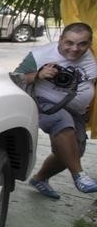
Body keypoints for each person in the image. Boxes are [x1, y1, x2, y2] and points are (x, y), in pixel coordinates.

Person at [15, 22, 97, 199]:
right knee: (62, 122)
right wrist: (38, 75)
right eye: (69, 43)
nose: (75, 49)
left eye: (82, 44)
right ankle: (79, 176)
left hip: (76, 110)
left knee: (73, 152)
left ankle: (40, 179)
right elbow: (14, 79)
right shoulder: (40, 55)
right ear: (60, 39)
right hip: (45, 103)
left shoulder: (91, 55)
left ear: (90, 43)